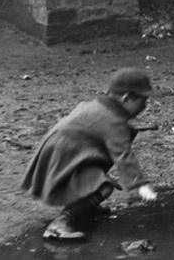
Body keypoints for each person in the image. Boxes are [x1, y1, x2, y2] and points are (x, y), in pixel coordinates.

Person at [21, 67, 159, 240]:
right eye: (143, 101)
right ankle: (59, 224)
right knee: (104, 187)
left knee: (126, 135)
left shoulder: (98, 106)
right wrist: (139, 185)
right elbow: (123, 155)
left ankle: (87, 206)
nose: (145, 106)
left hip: (63, 150)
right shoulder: (113, 122)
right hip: (65, 156)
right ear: (127, 98)